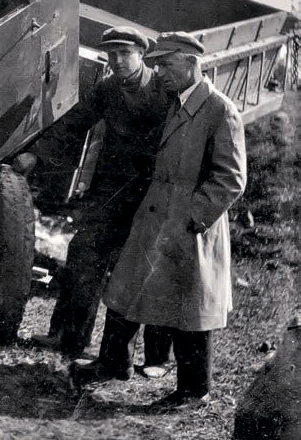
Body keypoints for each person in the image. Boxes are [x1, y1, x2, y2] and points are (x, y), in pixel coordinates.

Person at [71, 31, 247, 411]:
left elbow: (231, 178)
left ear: (190, 62)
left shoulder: (219, 109)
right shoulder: (176, 102)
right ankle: (113, 363)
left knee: (190, 308)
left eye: (166, 65)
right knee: (125, 286)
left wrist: (191, 218)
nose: (161, 73)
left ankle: (194, 392)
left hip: (189, 225)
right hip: (154, 213)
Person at [32, 26, 173, 369]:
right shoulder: (108, 89)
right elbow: (75, 122)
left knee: (137, 272)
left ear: (142, 54)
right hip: (109, 193)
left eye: (125, 53)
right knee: (83, 255)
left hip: (149, 197)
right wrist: (35, 153)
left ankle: (137, 358)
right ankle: (68, 337)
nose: (118, 60)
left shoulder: (164, 89)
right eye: (112, 54)